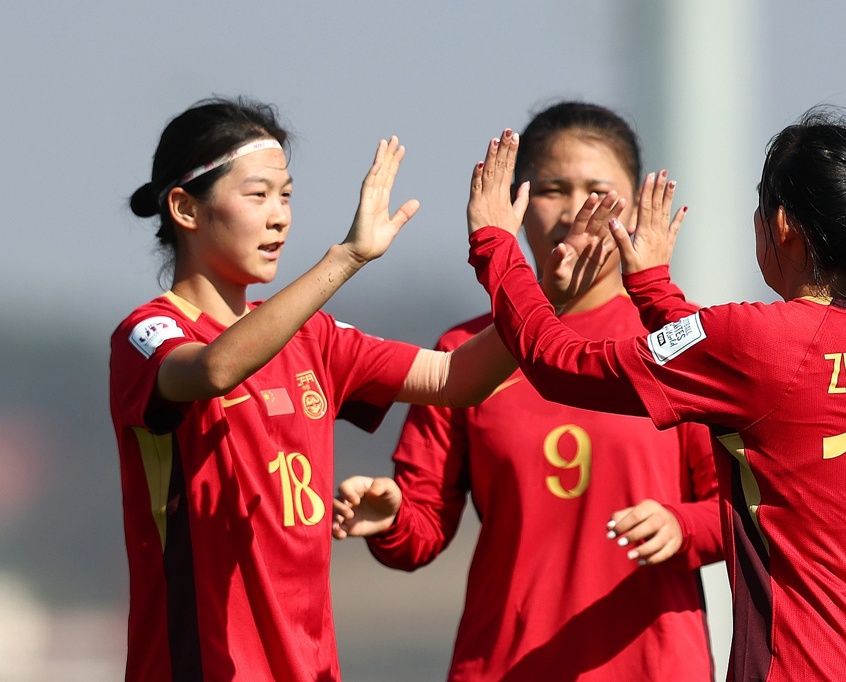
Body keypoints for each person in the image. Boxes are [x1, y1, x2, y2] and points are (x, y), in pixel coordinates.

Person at [108, 97, 606, 682]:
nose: (279, 216)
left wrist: (542, 300)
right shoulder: (149, 333)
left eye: (286, 195)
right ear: (184, 208)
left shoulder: (313, 336)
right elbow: (216, 370)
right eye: (258, 194)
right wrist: (345, 259)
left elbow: (456, 377)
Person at [463, 109, 846, 680]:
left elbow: (557, 362)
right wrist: (652, 287)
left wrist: (495, 245)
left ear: (780, 225)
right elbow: (736, 365)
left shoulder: (760, 340)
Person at [332, 102, 723, 681]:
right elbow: (421, 532)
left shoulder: (676, 344)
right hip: (505, 663)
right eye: (552, 189)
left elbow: (746, 511)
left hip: (651, 665)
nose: (574, 210)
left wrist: (682, 525)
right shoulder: (465, 355)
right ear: (516, 202)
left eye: (598, 191)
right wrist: (389, 520)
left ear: (638, 206)